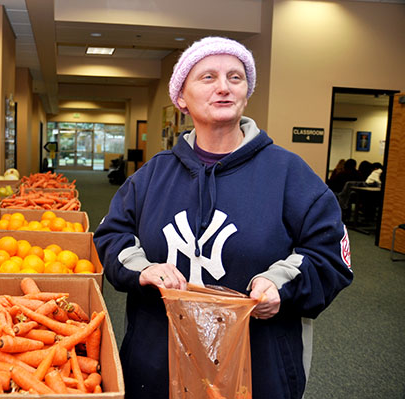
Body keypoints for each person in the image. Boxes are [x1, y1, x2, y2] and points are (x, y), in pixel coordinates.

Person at [93, 37, 353, 399]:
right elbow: (110, 236)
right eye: (208, 77)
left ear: (246, 94)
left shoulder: (289, 173)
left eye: (235, 78)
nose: (224, 87)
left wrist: (280, 285)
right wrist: (143, 269)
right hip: (158, 361)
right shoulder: (153, 175)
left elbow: (330, 256)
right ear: (181, 99)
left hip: (258, 364)